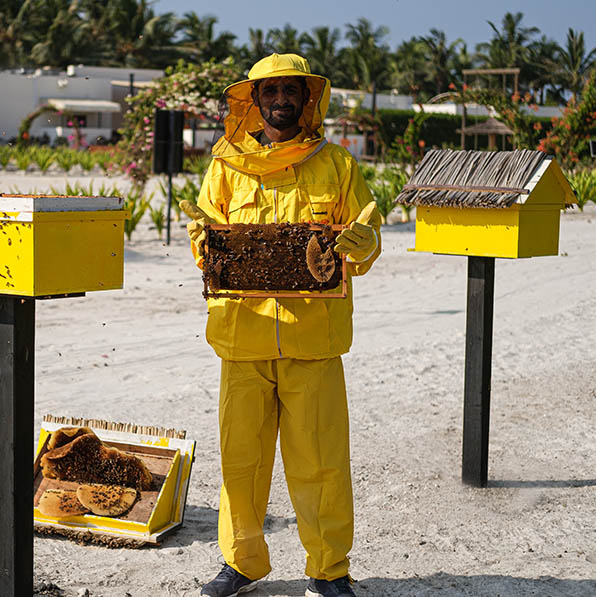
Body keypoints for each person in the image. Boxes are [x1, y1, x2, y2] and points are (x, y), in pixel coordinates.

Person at [180, 53, 382, 597]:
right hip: (240, 337)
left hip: (311, 341)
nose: (281, 101)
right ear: (254, 101)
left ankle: (328, 569)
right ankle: (241, 562)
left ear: (308, 99)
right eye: (270, 93)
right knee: (241, 463)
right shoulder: (224, 167)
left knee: (321, 464)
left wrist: (364, 245)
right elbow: (209, 240)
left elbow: (364, 236)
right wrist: (204, 245)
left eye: (291, 91)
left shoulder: (336, 164)